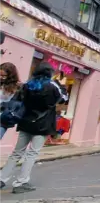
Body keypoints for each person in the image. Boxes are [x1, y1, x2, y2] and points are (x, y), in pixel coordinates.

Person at [0, 62, 66, 193]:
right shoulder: (52, 86)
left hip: (26, 122)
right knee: (32, 153)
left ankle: (1, 178)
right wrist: (61, 85)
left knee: (17, 152)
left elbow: (20, 102)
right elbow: (63, 98)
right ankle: (21, 182)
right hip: (42, 124)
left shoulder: (27, 85)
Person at [0, 63, 21, 141]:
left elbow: (19, 104)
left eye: (4, 76)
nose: (1, 77)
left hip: (3, 118)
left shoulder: (17, 87)